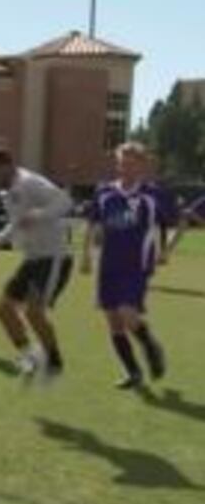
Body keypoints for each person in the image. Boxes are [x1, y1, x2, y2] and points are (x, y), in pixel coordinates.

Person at [0, 147, 75, 382]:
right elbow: (16, 224)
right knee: (2, 308)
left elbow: (65, 202)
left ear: (4, 167)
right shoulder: (8, 192)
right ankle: (30, 356)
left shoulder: (30, 182)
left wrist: (39, 215)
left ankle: (54, 362)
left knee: (33, 312)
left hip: (54, 257)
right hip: (32, 259)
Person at [81, 143, 167, 389]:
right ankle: (133, 373)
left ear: (141, 165)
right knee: (113, 321)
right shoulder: (105, 192)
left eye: (131, 163)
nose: (125, 168)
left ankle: (151, 347)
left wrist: (165, 250)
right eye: (121, 163)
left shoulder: (152, 194)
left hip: (137, 265)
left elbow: (169, 222)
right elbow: (93, 224)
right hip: (108, 265)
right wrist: (86, 255)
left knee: (128, 313)